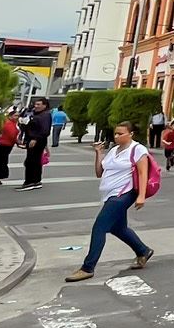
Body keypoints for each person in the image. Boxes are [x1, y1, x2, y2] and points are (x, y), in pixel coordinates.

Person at [65, 120, 153, 282]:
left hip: (123, 194)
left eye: (121, 133)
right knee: (118, 228)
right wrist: (99, 153)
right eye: (116, 133)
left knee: (99, 227)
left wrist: (141, 196)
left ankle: (88, 267)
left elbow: (142, 173)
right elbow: (100, 172)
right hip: (110, 194)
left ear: (131, 134)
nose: (117, 136)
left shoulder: (138, 149)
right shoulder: (114, 150)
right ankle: (143, 250)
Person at [21, 97, 52, 190]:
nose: (36, 106)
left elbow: (45, 130)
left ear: (44, 105)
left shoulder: (45, 115)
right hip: (32, 140)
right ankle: (34, 181)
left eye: (38, 104)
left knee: (32, 161)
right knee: (33, 161)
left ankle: (31, 181)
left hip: (37, 141)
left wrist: (35, 139)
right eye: (35, 104)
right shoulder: (36, 114)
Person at [0, 109, 19, 185]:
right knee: (0, 162)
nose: (17, 117)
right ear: (10, 116)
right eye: (15, 115)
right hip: (4, 145)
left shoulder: (9, 123)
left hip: (3, 144)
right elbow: (12, 135)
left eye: (18, 116)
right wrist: (18, 142)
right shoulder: (9, 124)